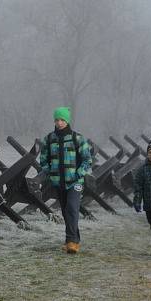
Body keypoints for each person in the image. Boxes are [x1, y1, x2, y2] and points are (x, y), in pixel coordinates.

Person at [39, 106, 92, 254]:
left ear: (67, 120)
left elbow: (87, 160)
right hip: (58, 182)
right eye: (57, 120)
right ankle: (73, 238)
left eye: (62, 119)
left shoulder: (78, 138)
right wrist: (49, 173)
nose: (59, 122)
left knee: (72, 209)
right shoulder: (49, 139)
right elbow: (43, 160)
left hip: (75, 182)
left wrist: (79, 173)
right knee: (65, 211)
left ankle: (72, 242)